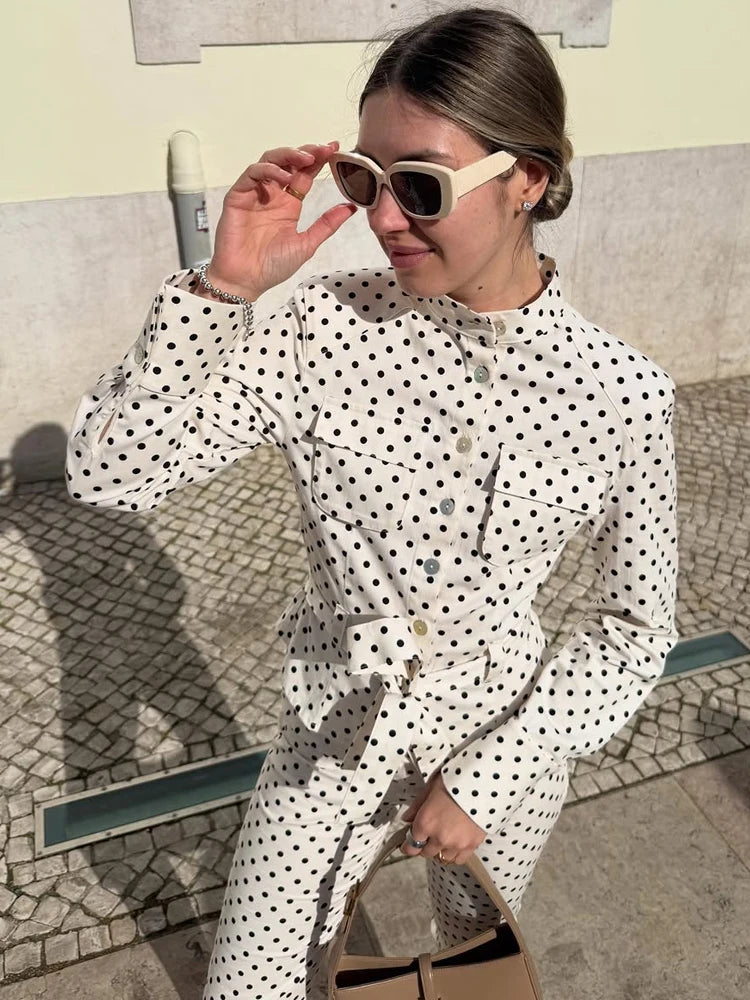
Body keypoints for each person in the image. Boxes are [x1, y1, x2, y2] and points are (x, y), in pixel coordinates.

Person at [65, 6, 679, 999]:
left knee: (466, 978)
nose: (384, 219)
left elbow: (635, 629)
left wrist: (492, 772)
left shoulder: (621, 394)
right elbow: (107, 472)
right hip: (330, 746)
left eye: (421, 186)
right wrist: (224, 288)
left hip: (501, 751)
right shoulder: (325, 329)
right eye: (364, 180)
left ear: (527, 178)